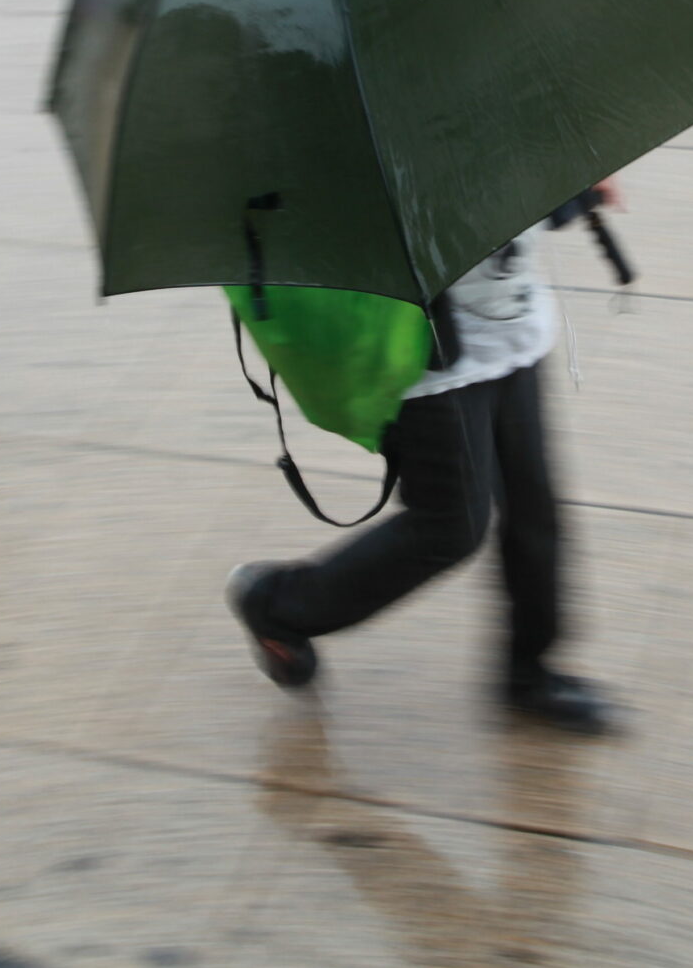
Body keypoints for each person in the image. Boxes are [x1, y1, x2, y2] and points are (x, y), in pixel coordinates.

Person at [226, 194, 620, 733]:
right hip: (429, 358)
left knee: (535, 514)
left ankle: (531, 673)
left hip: (515, 332)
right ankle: (277, 606)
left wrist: (574, 184)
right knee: (450, 527)